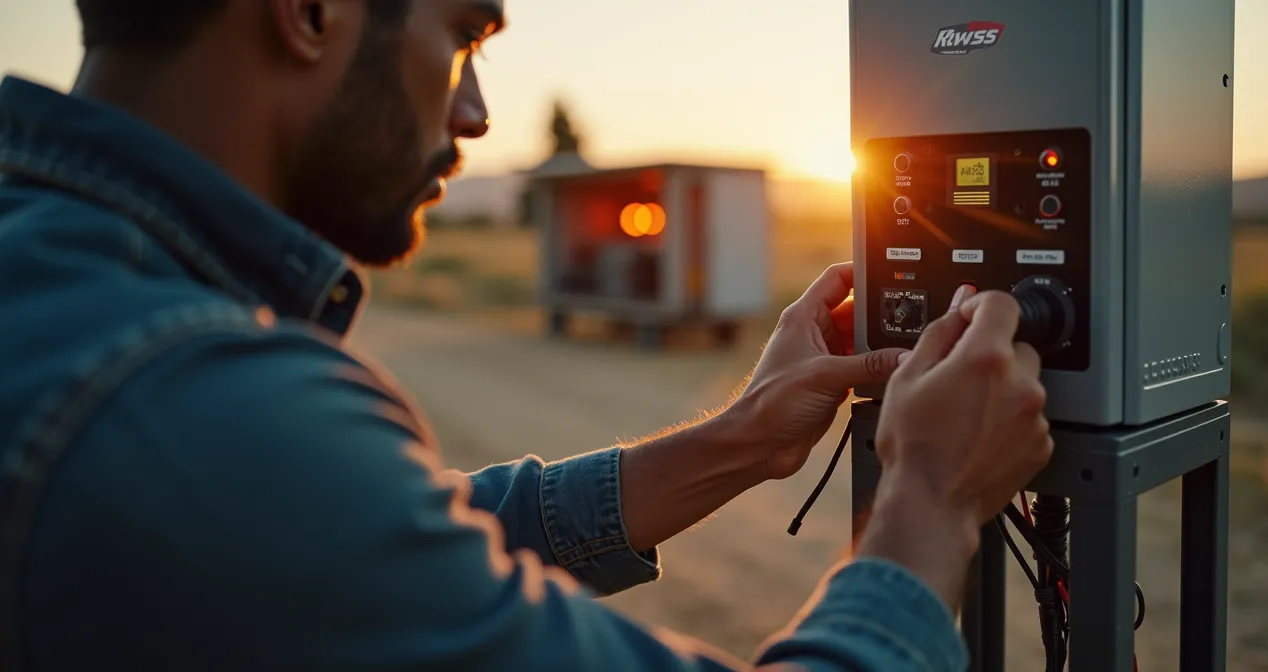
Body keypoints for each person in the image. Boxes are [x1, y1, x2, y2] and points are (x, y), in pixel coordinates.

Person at [0, 1, 1052, 670]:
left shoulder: (62, 289)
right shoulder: (186, 400)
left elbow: (393, 544)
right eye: (461, 37)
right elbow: (309, 515)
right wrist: (930, 501)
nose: (475, 114)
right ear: (310, 14)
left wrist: (744, 439)